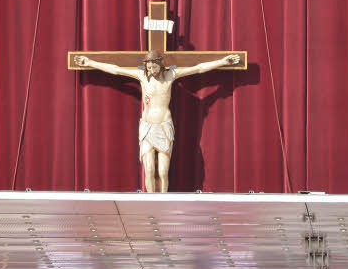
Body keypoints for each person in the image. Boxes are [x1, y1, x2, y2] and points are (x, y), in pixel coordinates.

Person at [73, 50, 240, 192]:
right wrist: (90, 62)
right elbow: (115, 70)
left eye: (154, 66)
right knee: (150, 169)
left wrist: (222, 61)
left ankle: (162, 202)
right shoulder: (141, 76)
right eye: (148, 66)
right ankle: (150, 203)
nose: (151, 70)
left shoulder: (171, 75)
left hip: (164, 126)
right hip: (147, 127)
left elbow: (198, 68)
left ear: (160, 64)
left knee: (162, 171)